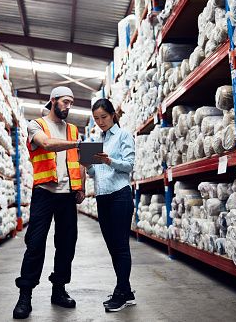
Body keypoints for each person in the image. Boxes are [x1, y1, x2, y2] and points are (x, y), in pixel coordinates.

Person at [13, 86, 86, 319]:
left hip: (67, 195)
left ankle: (59, 289)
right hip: (44, 192)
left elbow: (82, 160)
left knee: (66, 244)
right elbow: (46, 144)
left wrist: (81, 186)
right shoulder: (36, 125)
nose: (68, 106)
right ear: (53, 100)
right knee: (35, 243)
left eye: (71, 102)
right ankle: (25, 295)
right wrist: (75, 144)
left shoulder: (74, 129)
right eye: (65, 101)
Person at [84, 98, 136, 312]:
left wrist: (109, 161)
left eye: (103, 117)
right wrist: (89, 166)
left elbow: (129, 166)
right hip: (102, 197)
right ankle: (127, 291)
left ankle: (120, 293)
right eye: (96, 119)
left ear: (113, 115)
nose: (100, 122)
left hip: (120, 195)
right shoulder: (98, 140)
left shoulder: (123, 135)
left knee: (121, 246)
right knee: (112, 247)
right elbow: (95, 173)